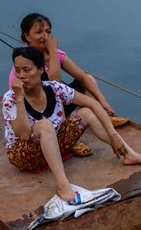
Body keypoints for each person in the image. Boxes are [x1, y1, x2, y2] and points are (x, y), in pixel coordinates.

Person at [2, 46, 141, 203]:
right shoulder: (11, 99)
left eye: (27, 70)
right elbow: (23, 135)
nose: (21, 76)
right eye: (18, 71)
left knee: (86, 113)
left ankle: (128, 154)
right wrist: (20, 98)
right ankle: (63, 185)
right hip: (25, 156)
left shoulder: (54, 88)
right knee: (45, 125)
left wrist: (113, 134)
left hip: (53, 148)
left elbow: (93, 104)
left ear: (41, 69)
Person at [8, 12, 127, 155]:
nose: (44, 36)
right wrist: (51, 50)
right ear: (27, 36)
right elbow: (54, 85)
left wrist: (103, 102)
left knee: (89, 79)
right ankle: (71, 143)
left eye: (48, 32)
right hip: (36, 113)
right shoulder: (25, 62)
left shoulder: (55, 54)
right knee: (56, 96)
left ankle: (103, 117)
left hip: (55, 103)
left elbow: (82, 77)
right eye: (39, 32)